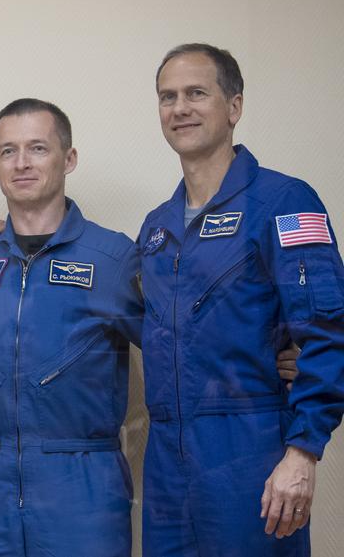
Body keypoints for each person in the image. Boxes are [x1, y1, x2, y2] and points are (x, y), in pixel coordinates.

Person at [138, 43, 344, 555]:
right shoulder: (156, 229)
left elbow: (329, 329)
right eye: (168, 97)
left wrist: (303, 453)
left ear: (234, 108)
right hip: (166, 460)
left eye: (196, 93)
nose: (180, 107)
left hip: (249, 451)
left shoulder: (283, 202)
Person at [0, 98, 142, 557]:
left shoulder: (114, 259)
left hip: (83, 479)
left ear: (69, 159)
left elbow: (176, 343)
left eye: (38, 148)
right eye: (8, 151)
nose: (22, 163)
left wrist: (277, 355)